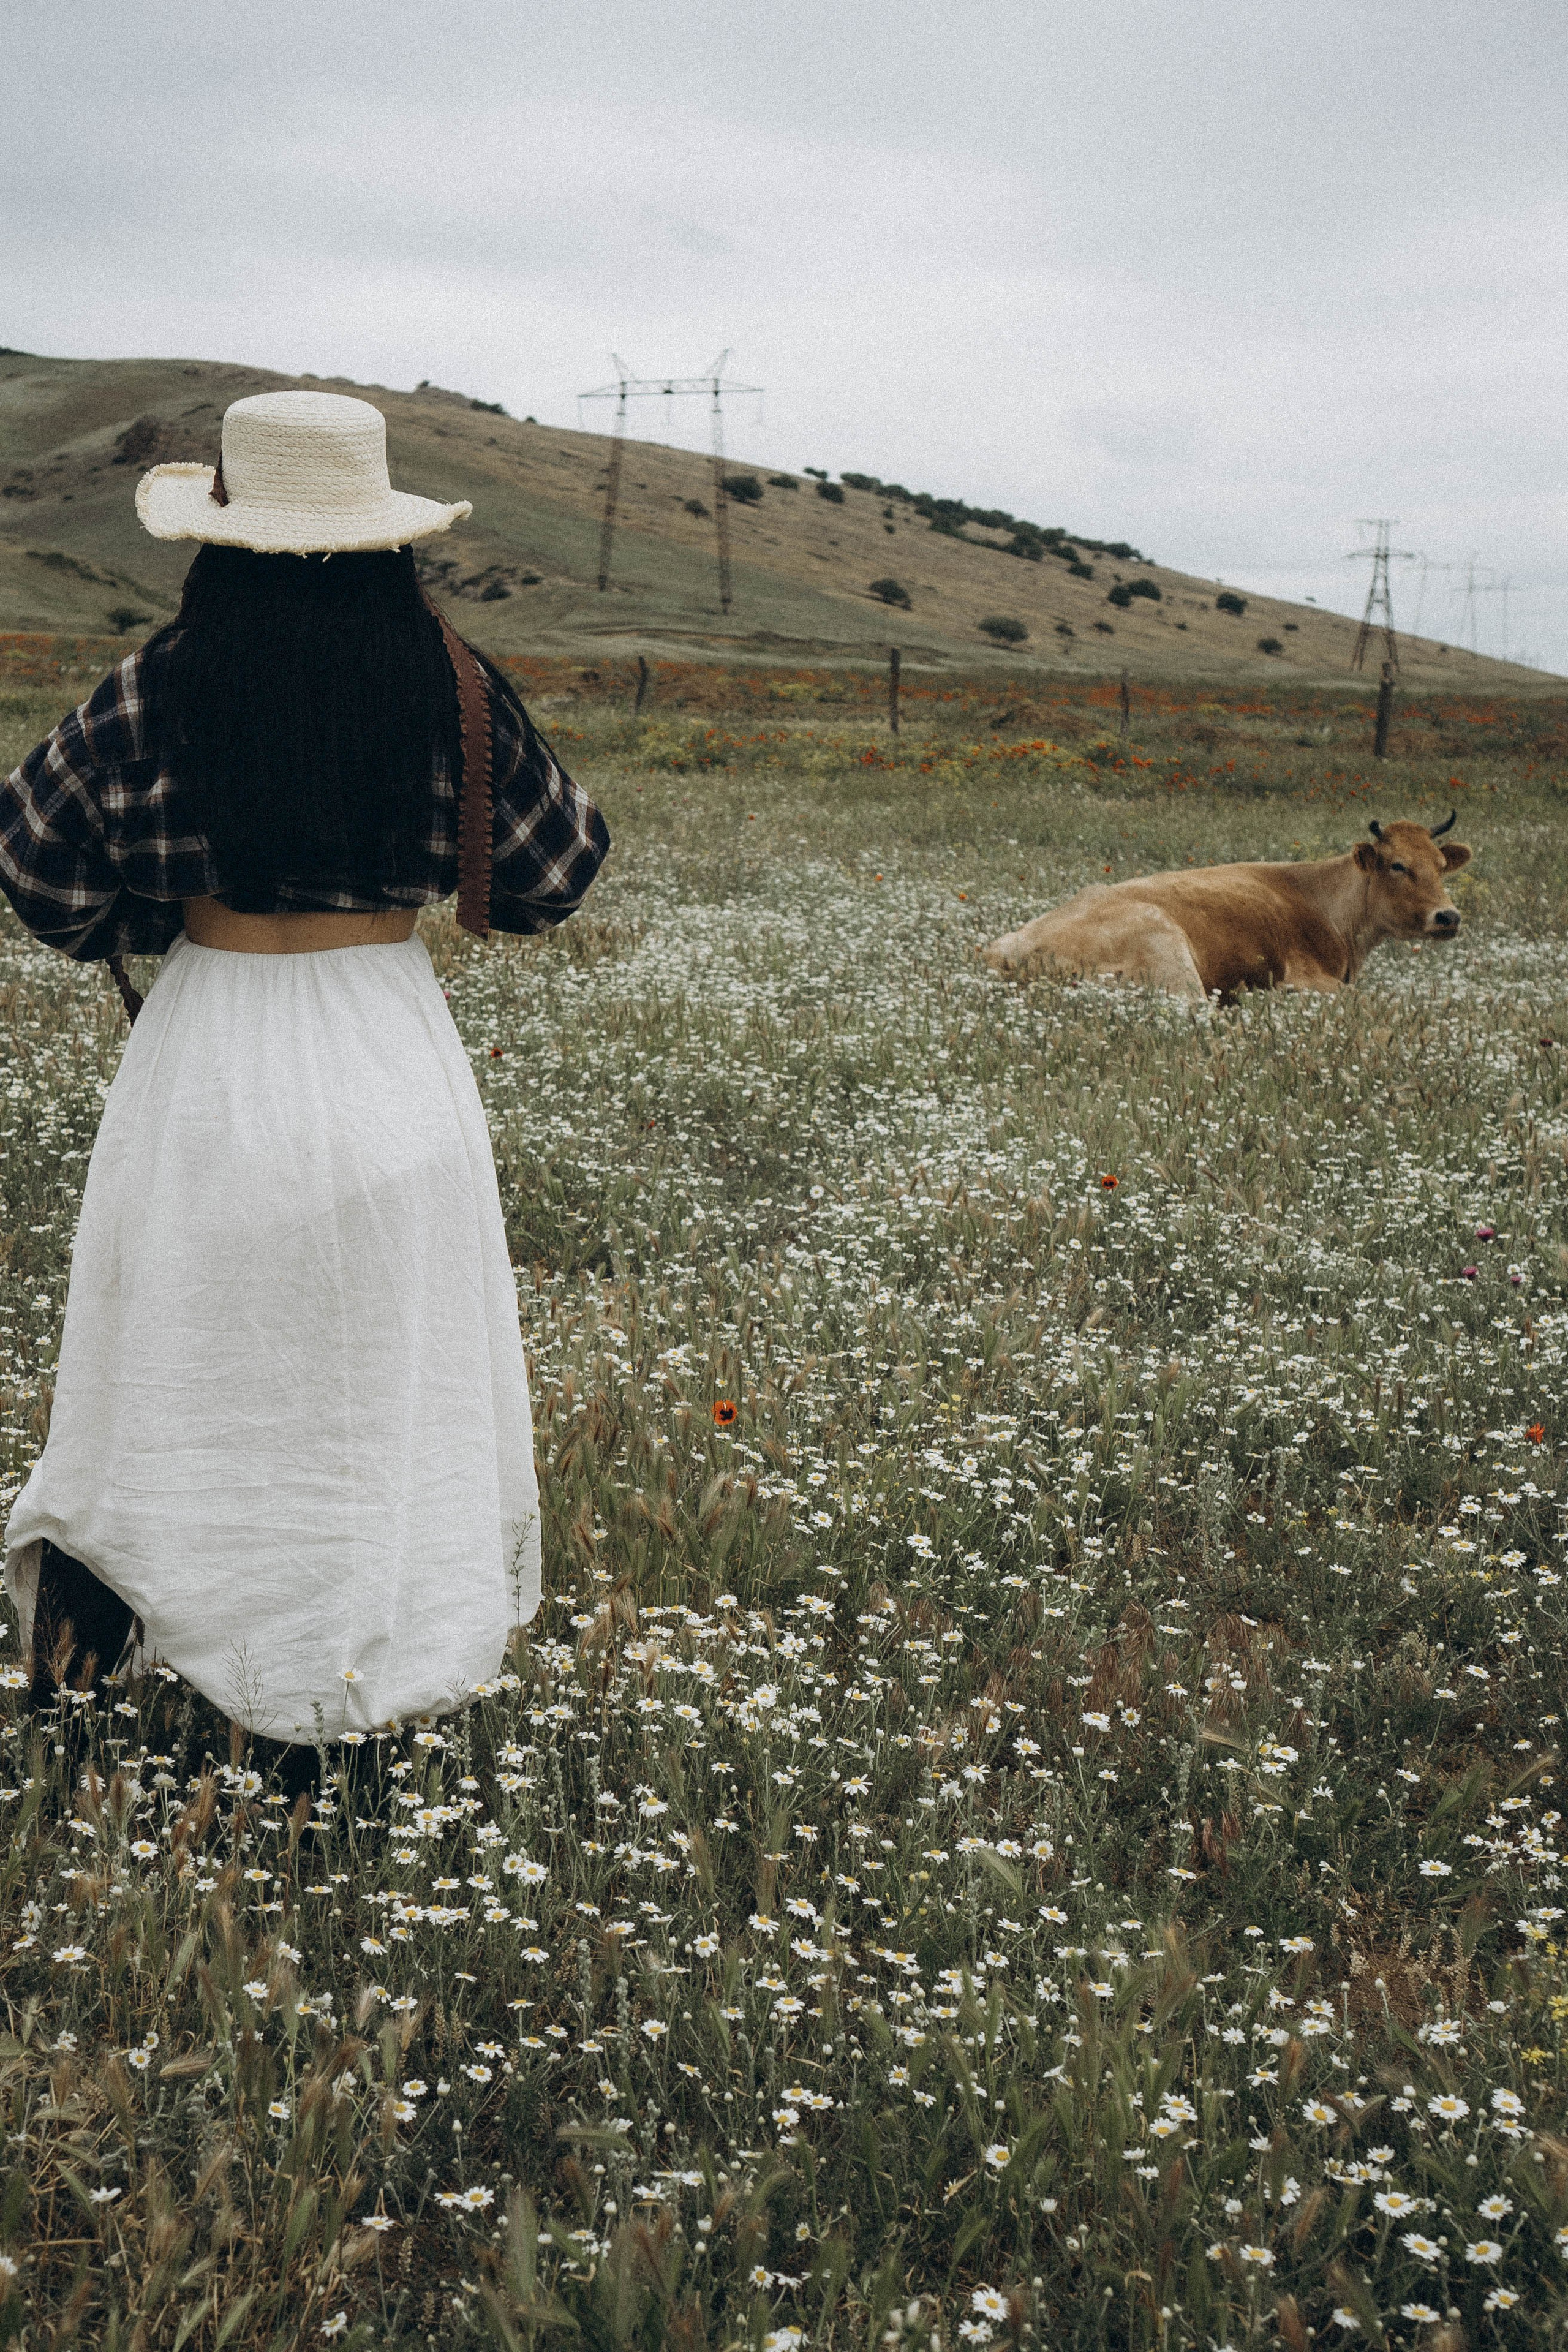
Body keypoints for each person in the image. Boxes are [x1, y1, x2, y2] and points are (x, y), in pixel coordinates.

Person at [0, 390, 609, 1795]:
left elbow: (36, 869)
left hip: (210, 1053)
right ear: (386, 538)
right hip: (386, 1053)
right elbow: (553, 874)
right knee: (371, 1391)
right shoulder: (448, 687)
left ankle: (91, 1678)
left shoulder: (157, 686)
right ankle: (333, 1715)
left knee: (166, 1369)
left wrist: (157, 906)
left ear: (221, 540)